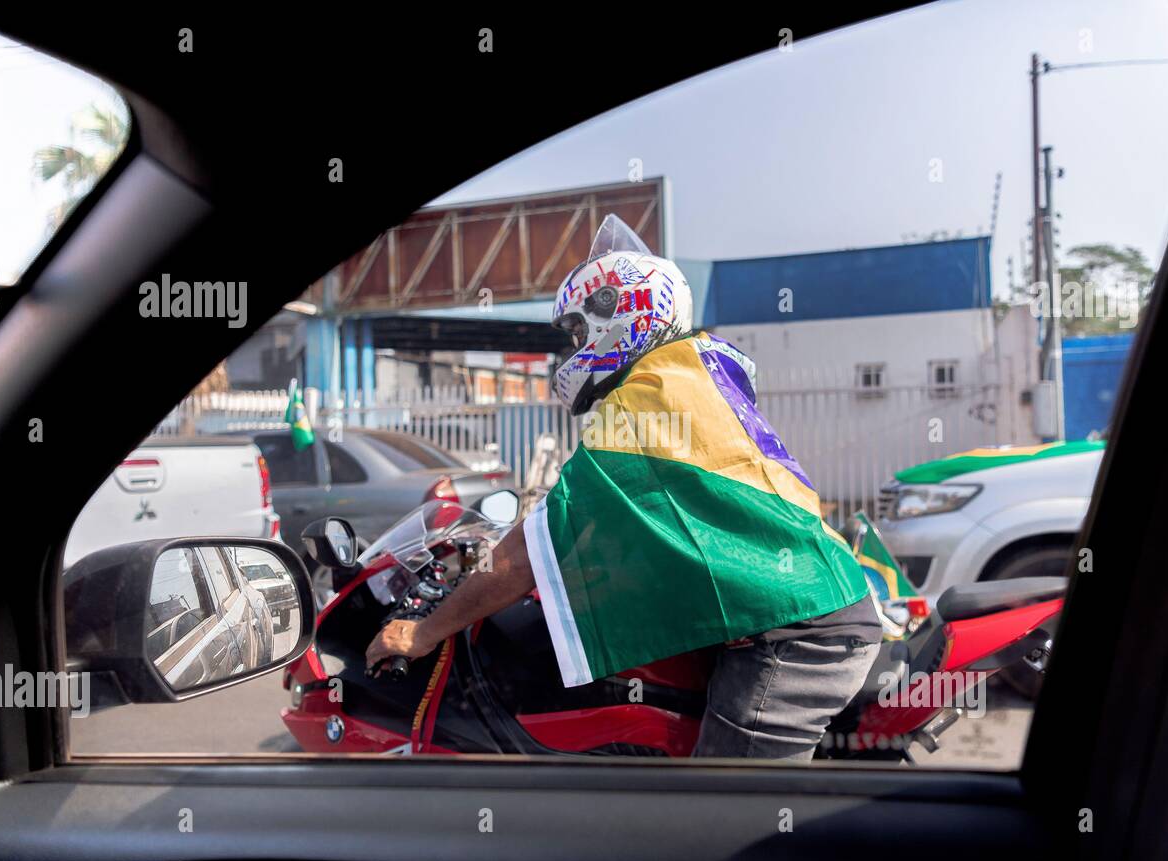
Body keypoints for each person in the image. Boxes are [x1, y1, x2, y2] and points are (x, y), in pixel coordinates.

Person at [365, 215, 882, 760]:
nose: (575, 347)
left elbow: (528, 555)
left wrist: (422, 633)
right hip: (797, 606)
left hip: (797, 634)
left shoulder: (643, 401)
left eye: (578, 331)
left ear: (617, 311)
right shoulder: (689, 372)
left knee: (727, 816)